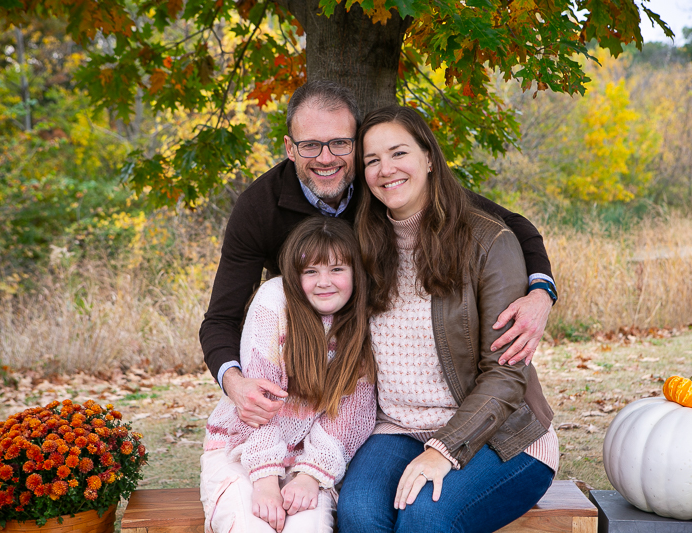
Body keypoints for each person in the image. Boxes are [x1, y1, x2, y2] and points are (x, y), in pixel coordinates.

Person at [199, 80, 558, 429]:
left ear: (356, 145)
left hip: (373, 379)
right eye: (310, 145)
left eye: (340, 143)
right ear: (290, 148)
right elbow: (220, 319)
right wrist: (235, 383)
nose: (326, 158)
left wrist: (541, 292)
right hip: (301, 371)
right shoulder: (258, 208)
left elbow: (510, 224)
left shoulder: (385, 184)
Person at [336, 105, 558, 533]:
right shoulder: (362, 245)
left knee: (425, 518)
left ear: (429, 158)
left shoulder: (488, 242)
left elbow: (505, 375)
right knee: (358, 514)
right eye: (372, 160)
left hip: (501, 436)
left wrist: (444, 449)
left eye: (399, 153)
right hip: (397, 429)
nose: (386, 169)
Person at [200, 217, 377, 533]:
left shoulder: (362, 322)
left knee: (308, 527)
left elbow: (350, 416)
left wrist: (311, 475)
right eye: (311, 271)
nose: (324, 282)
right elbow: (259, 403)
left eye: (337, 269)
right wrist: (266, 480)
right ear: (295, 276)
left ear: (356, 273)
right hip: (240, 451)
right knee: (250, 526)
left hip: (309, 462)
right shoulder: (274, 302)